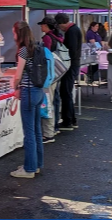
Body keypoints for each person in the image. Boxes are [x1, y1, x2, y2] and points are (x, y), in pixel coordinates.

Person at [10, 21, 44, 178]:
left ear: (19, 33)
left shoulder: (23, 51)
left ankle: (29, 168)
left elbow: (18, 75)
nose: (13, 36)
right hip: (38, 91)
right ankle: (36, 164)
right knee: (37, 130)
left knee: (29, 132)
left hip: (28, 92)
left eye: (14, 33)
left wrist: (15, 87)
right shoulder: (37, 46)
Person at [38, 17, 65, 144]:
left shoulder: (47, 38)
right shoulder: (57, 36)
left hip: (48, 75)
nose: (40, 27)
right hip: (57, 73)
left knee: (47, 103)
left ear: (46, 25)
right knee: (54, 101)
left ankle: (48, 133)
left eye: (42, 25)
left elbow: (45, 57)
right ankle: (54, 127)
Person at [55, 13, 82, 131]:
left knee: (65, 92)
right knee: (67, 92)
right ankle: (71, 119)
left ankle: (68, 121)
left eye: (59, 26)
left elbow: (71, 50)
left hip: (70, 65)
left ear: (62, 23)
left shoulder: (71, 32)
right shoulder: (75, 29)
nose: (60, 28)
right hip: (73, 64)